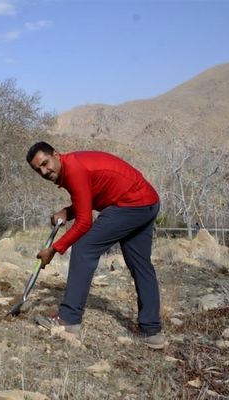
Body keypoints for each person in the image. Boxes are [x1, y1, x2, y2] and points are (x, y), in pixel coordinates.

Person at [26, 141, 165, 349]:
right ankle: (151, 332)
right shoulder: (72, 167)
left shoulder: (74, 169)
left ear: (56, 154)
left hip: (131, 204)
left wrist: (54, 249)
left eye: (46, 163)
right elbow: (91, 194)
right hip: (147, 201)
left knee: (84, 248)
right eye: (39, 170)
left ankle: (69, 319)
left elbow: (84, 223)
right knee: (140, 264)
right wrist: (68, 211)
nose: (45, 171)